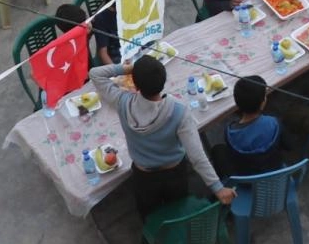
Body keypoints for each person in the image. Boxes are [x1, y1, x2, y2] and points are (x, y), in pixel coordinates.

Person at [89, 55, 234, 218]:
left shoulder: (122, 102)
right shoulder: (179, 112)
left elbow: (95, 73)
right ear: (164, 81)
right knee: (178, 212)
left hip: (143, 176)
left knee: (149, 217)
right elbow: (197, 156)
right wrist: (217, 188)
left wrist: (127, 68)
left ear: (135, 84)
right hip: (175, 174)